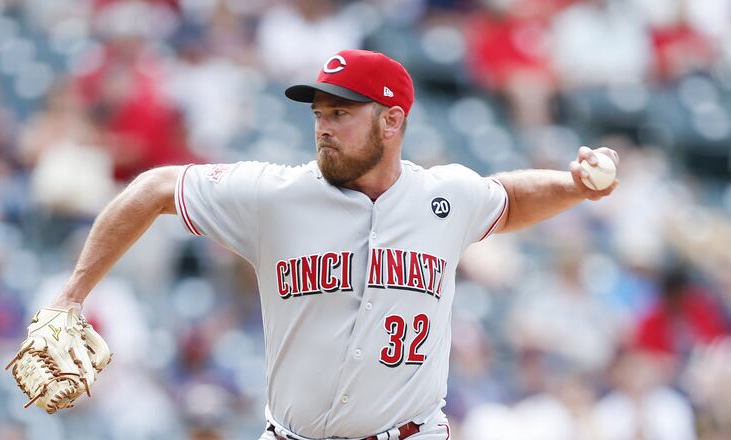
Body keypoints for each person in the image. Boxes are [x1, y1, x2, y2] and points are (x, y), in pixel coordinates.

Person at [47, 49, 618, 439]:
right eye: (320, 113)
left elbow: (508, 198)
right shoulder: (273, 195)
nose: (323, 126)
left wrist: (573, 187)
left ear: (391, 122)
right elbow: (153, 187)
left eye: (341, 113)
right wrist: (71, 296)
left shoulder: (444, 196)